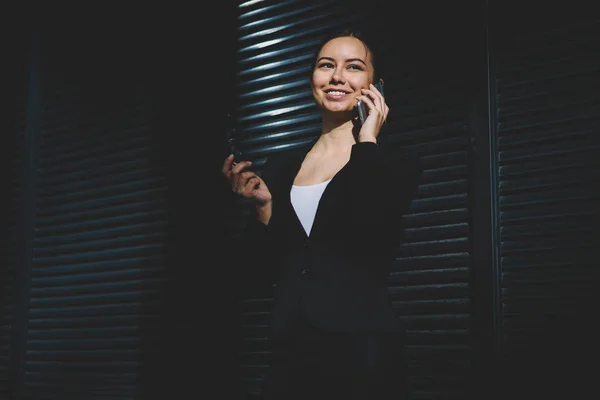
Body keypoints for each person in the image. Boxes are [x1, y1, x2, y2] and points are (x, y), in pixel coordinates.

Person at [222, 28, 421, 400]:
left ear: (374, 85)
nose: (337, 77)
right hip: (290, 349)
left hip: (364, 348)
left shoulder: (394, 163)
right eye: (326, 65)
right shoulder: (280, 166)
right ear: (312, 78)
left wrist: (368, 140)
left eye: (353, 67)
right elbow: (261, 273)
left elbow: (368, 223)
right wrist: (264, 207)